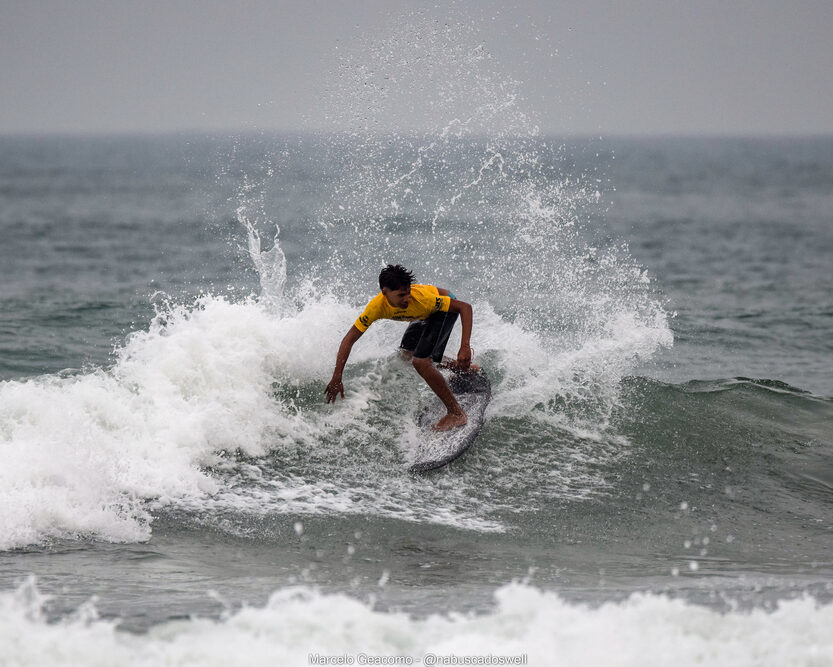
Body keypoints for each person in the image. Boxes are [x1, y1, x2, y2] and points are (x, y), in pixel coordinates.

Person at [325, 264, 473, 431]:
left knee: (421, 362)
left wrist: (465, 346)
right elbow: (349, 339)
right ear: (385, 293)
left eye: (408, 293)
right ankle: (461, 367)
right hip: (423, 313)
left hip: (444, 308)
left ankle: (456, 414)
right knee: (407, 354)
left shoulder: (420, 300)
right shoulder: (376, 307)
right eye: (401, 295)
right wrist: (337, 377)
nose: (406, 299)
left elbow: (464, 307)